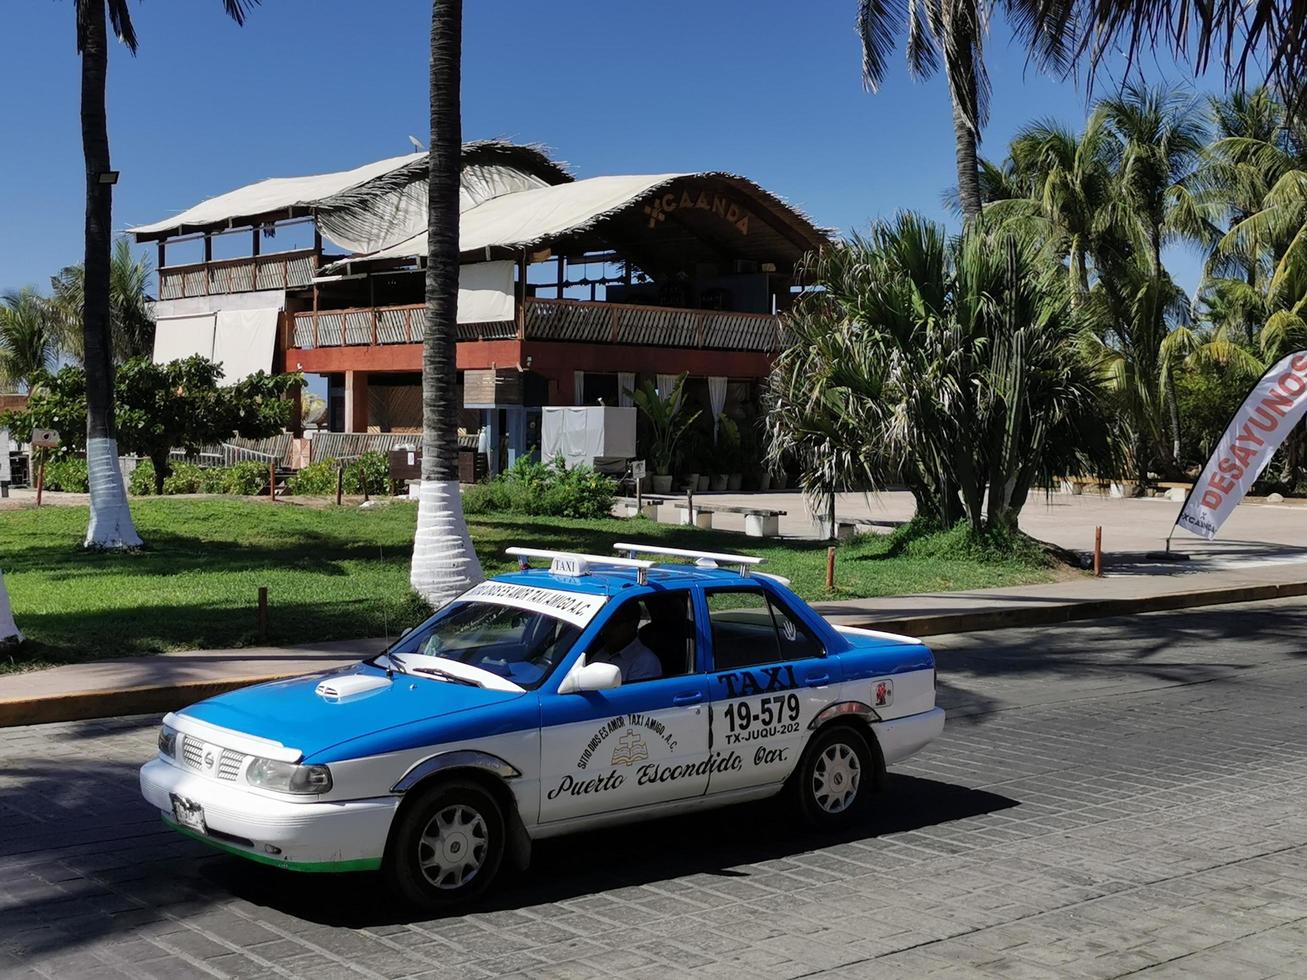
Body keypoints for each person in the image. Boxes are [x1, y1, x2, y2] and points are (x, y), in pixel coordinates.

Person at [591, 601, 661, 683]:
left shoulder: (645, 662)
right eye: (606, 623)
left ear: (633, 623)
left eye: (616, 622)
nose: (608, 628)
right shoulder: (602, 649)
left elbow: (635, 694)